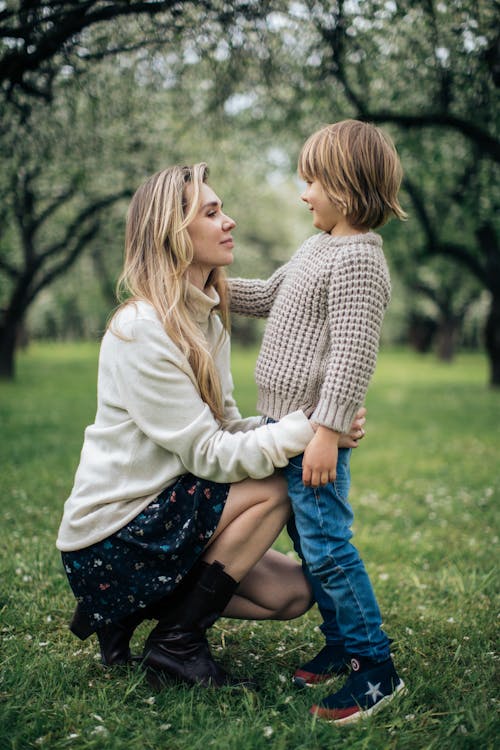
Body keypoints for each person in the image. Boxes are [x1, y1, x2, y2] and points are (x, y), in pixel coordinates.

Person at [56, 162, 365, 691]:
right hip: (111, 534)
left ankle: (126, 611)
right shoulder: (141, 330)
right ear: (173, 234)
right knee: (275, 484)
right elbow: (211, 456)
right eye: (213, 212)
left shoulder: (205, 321)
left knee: (292, 594)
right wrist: (310, 428)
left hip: (167, 511)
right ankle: (176, 642)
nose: (230, 222)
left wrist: (314, 426)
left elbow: (224, 426)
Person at [229, 120, 407, 723]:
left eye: (313, 180)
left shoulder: (358, 258)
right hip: (288, 425)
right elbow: (269, 296)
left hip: (313, 433)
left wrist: (328, 432)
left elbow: (354, 352)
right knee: (309, 543)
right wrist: (203, 284)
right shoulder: (317, 247)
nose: (303, 192)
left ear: (347, 188)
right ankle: (339, 642)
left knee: (328, 546)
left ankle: (373, 667)